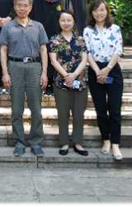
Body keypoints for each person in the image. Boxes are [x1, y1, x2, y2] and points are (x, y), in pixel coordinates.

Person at [0, 0, 48, 157]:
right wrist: (5, 73)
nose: (22, 8)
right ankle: (19, 141)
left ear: (30, 8)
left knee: (36, 108)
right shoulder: (8, 27)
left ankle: (36, 141)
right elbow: (3, 50)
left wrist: (44, 72)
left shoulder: (38, 26)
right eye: (19, 5)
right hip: (15, 67)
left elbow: (43, 50)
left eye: (25, 5)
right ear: (14, 7)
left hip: (34, 67)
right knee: (17, 108)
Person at [84, 0, 124, 161]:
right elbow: (87, 52)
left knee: (114, 109)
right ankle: (106, 140)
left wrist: (107, 69)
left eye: (102, 10)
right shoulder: (87, 31)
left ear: (107, 11)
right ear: (91, 13)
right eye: (95, 10)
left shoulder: (115, 29)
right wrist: (97, 71)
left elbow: (118, 50)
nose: (99, 13)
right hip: (95, 71)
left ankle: (115, 144)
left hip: (112, 70)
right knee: (100, 109)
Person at [48, 10, 89, 157]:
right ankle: (64, 142)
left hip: (80, 82)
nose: (66, 23)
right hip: (61, 83)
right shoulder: (55, 40)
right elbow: (53, 61)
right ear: (59, 22)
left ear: (73, 21)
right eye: (63, 20)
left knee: (78, 113)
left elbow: (84, 60)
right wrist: (66, 76)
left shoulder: (80, 39)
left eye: (69, 20)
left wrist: (74, 75)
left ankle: (78, 143)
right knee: (63, 113)